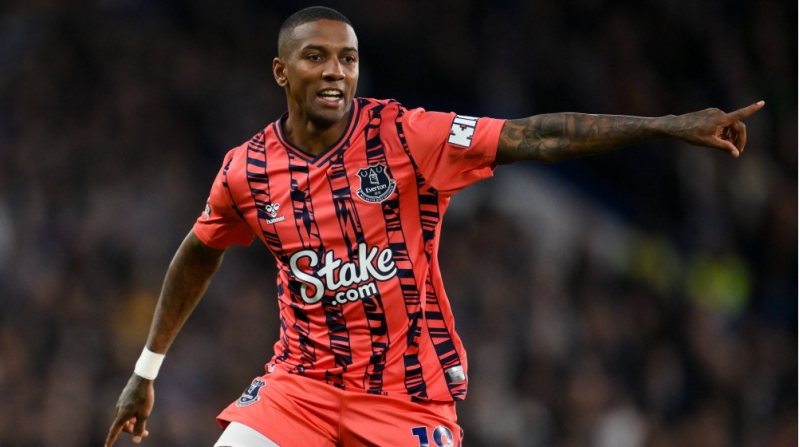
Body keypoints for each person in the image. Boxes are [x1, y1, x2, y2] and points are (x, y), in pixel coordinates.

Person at [105, 6, 763, 447]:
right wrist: (146, 369)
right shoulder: (246, 170)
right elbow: (199, 253)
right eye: (316, 57)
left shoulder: (405, 135)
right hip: (299, 390)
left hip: (408, 401)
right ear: (282, 71)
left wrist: (663, 126)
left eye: (347, 59)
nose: (335, 71)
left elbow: (534, 136)